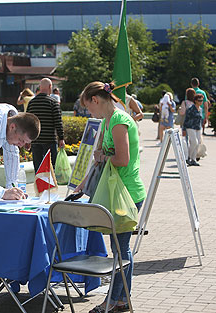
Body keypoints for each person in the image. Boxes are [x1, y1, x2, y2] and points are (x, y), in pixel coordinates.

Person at [75, 82, 146, 313]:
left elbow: (121, 159)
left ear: (96, 100)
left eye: (88, 108)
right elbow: (99, 160)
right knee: (121, 249)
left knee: (120, 249)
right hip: (118, 192)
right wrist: (82, 186)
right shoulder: (109, 120)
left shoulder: (118, 120)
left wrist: (103, 156)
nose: (89, 113)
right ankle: (121, 299)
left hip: (126, 193)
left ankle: (113, 301)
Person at [26, 78, 65, 172]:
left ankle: (39, 186)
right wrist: (61, 138)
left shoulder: (32, 103)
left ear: (40, 87)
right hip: (49, 140)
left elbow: (27, 122)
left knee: (38, 170)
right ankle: (49, 187)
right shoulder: (53, 102)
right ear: (50, 87)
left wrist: (27, 139)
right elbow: (58, 122)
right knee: (51, 169)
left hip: (35, 140)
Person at [183, 91, 203, 166]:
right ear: (195, 101)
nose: (201, 102)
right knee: (194, 142)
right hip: (190, 127)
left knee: (197, 144)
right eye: (199, 100)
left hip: (198, 127)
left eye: (201, 100)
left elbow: (200, 119)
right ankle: (189, 157)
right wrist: (184, 129)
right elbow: (186, 119)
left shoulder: (200, 109)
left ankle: (193, 159)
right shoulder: (191, 108)